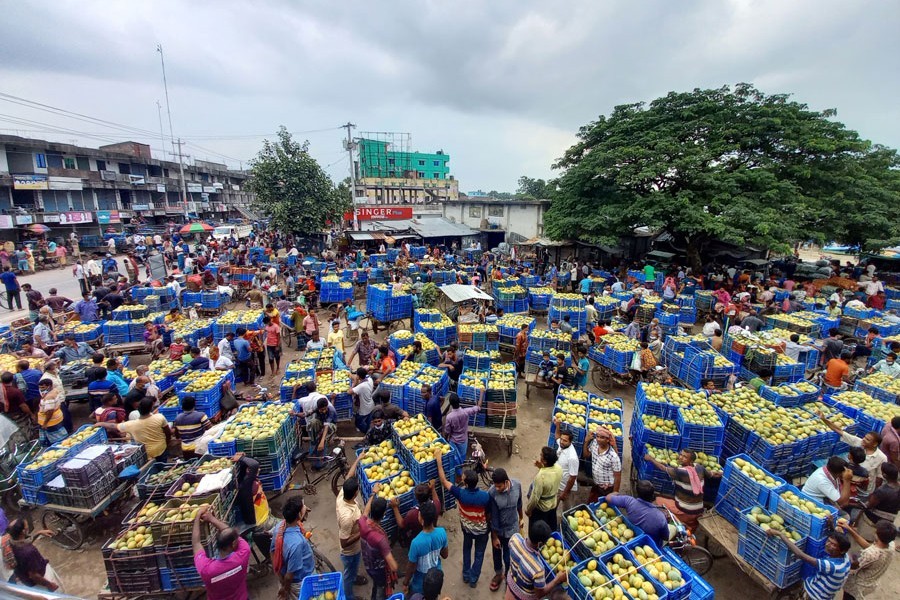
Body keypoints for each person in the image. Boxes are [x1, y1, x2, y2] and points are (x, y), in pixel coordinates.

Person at [434, 448, 491, 589]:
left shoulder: (460, 494)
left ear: (465, 483)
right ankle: (473, 579)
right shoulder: (485, 496)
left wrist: (438, 460)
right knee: (479, 554)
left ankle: (466, 575)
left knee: (466, 550)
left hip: (467, 529)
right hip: (482, 531)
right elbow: (489, 514)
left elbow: (443, 480)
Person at [644, 448, 721, 532]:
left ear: (691, 461)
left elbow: (663, 468)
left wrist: (650, 459)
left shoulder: (680, 472)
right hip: (699, 510)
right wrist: (723, 474)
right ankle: (689, 527)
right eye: (681, 455)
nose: (681, 457)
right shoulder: (700, 467)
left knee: (656, 501)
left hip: (686, 511)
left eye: (685, 457)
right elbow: (713, 474)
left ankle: (669, 524)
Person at [766, 528, 851, 600]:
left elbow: (800, 555)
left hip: (814, 596)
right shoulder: (845, 558)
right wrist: (831, 526)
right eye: (828, 541)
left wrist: (780, 534)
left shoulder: (831, 566)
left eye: (833, 545)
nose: (828, 545)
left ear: (842, 550)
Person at [817, 411, 886, 497]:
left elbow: (879, 478)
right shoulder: (859, 442)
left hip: (863, 491)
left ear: (875, 444)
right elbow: (839, 431)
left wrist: (875, 495)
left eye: (868, 440)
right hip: (846, 485)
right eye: (865, 437)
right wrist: (824, 419)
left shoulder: (882, 457)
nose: (864, 439)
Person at [192, 506, 250, 600]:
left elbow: (196, 543)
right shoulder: (243, 554)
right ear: (234, 543)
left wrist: (197, 516)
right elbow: (228, 532)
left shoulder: (207, 570)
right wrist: (212, 519)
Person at [506, 521, 568, 600]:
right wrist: (557, 579)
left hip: (511, 583)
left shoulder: (514, 539)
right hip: (523, 596)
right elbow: (540, 594)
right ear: (540, 544)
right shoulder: (538, 568)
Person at [100, 397, 172, 462]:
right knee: (163, 465)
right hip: (161, 448)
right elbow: (168, 432)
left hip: (146, 453)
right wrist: (167, 443)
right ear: (150, 408)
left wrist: (100, 423)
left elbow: (113, 426)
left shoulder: (131, 424)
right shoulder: (159, 417)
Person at [271, 495, 315, 600]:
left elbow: (272, 551)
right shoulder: (296, 544)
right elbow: (289, 576)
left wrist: (279, 576)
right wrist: (285, 589)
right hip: (300, 581)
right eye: (303, 507)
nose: (305, 507)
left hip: (283, 574)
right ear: (299, 515)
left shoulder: (279, 527)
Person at [336, 462, 370, 600]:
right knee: (348, 573)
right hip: (350, 552)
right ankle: (349, 596)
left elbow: (349, 475)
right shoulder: (347, 516)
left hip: (355, 546)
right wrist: (363, 531)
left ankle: (355, 576)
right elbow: (344, 542)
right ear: (356, 493)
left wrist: (358, 460)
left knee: (353, 569)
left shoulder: (342, 495)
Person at [360, 489, 400, 600]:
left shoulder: (363, 523)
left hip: (368, 563)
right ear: (384, 515)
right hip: (378, 569)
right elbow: (393, 566)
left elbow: (365, 511)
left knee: (376, 584)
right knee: (381, 588)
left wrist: (373, 494)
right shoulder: (380, 539)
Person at [841, 520, 895, 600]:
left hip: (858, 585)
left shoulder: (870, 554)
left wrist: (844, 554)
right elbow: (869, 547)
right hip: (871, 582)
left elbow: (853, 565)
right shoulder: (891, 545)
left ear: (877, 535)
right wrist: (850, 529)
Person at [6, 518, 63, 592]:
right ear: (23, 531)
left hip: (25, 579)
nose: (28, 527)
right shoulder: (28, 552)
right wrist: (50, 584)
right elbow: (34, 575)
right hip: (42, 579)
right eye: (27, 526)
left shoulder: (11, 541)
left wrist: (39, 533)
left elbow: (25, 541)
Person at [403, 502, 448, 596]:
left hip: (420, 582)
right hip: (436, 576)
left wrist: (405, 583)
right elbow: (445, 555)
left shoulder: (416, 543)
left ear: (421, 520)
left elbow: (411, 567)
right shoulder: (442, 533)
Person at [606, 483, 670, 547]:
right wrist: (667, 521)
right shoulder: (660, 517)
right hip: (650, 546)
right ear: (653, 495)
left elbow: (608, 498)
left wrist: (616, 492)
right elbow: (665, 537)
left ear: (637, 493)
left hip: (630, 537)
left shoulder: (629, 501)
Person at [858, 462, 900, 542]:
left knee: (862, 509)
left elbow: (869, 505)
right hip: (890, 519)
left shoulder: (882, 491)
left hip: (874, 519)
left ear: (884, 475)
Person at [524, 446, 562, 534]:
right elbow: (550, 475)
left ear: (544, 461)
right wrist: (541, 467)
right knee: (551, 529)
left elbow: (535, 498)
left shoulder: (540, 477)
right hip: (552, 504)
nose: (539, 456)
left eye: (541, 455)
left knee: (536, 533)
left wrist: (528, 510)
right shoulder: (558, 469)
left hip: (541, 510)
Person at [442, 391, 482, 467]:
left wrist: (445, 439)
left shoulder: (449, 417)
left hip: (454, 441)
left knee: (455, 459)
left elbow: (447, 431)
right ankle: (460, 471)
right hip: (464, 440)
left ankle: (457, 473)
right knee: (462, 457)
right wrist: (482, 393)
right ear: (459, 401)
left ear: (450, 404)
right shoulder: (466, 412)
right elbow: (478, 407)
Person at [583, 425, 622, 502]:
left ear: (608, 440)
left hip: (606, 488)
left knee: (602, 508)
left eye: (602, 437)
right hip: (596, 483)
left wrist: (615, 493)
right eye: (597, 436)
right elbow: (586, 455)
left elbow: (617, 476)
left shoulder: (613, 456)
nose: (599, 439)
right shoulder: (594, 444)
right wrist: (586, 441)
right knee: (592, 504)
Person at [551, 424, 579, 511]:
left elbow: (572, 478)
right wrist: (558, 426)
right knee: (552, 508)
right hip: (558, 485)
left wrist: (565, 493)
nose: (562, 442)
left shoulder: (572, 457)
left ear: (570, 442)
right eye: (562, 439)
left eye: (565, 441)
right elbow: (557, 437)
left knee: (567, 512)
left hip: (567, 489)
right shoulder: (562, 444)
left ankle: (563, 524)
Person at [35, 378, 67, 447]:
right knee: (59, 436)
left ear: (49, 386)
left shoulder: (49, 397)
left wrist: (45, 424)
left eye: (43, 387)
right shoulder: (54, 391)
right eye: (40, 388)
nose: (41, 389)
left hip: (51, 422)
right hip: (56, 418)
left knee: (55, 440)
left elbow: (50, 411)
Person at [350, 368, 375, 434]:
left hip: (364, 408)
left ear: (358, 376)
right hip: (371, 404)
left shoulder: (361, 386)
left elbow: (349, 392)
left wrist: (354, 383)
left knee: (359, 421)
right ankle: (368, 431)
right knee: (368, 420)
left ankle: (365, 432)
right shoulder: (370, 380)